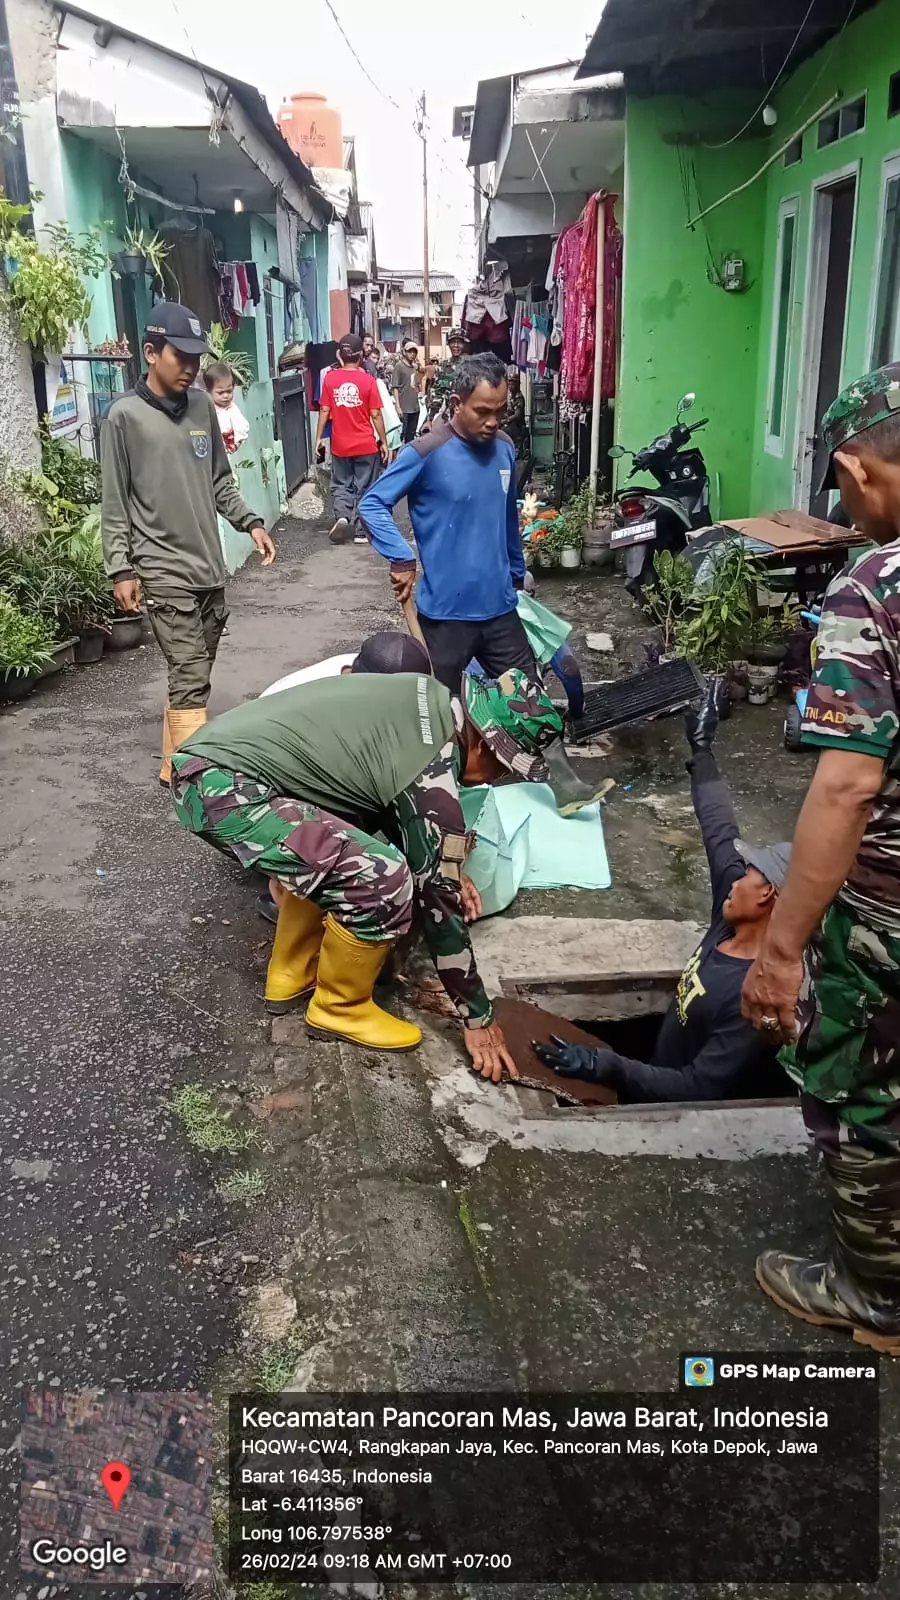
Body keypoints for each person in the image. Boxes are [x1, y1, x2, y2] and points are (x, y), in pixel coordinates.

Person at [170, 667, 577, 1080]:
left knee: (342, 846)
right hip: (224, 791)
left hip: (208, 766)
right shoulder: (431, 765)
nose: (498, 779)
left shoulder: (427, 702)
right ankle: (338, 1008)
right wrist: (479, 1018)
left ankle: (290, 974)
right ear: (488, 749)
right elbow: (439, 905)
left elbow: (388, 810)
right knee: (384, 877)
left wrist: (439, 862)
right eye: (506, 769)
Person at [742, 362, 900, 1356]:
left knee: (856, 1081)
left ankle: (875, 1291)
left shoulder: (875, 591)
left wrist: (785, 945)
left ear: (857, 471)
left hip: (889, 907)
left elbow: (846, 785)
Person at [533, 684, 792, 1102]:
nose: (735, 875)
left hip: (674, 1111)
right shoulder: (732, 915)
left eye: (748, 873)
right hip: (651, 1066)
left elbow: (699, 1086)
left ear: (767, 897)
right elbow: (719, 828)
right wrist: (702, 748)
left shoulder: (755, 997)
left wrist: (612, 1067)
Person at [101, 302, 275, 784]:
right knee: (191, 675)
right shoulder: (124, 418)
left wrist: (251, 522)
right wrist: (121, 567)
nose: (193, 368)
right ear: (151, 352)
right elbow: (114, 502)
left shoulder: (201, 406)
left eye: (198, 358)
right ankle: (199, 784)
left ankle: (170, 763)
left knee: (190, 676)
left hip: (208, 566)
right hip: (161, 569)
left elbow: (219, 480)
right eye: (183, 357)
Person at [360, 352, 538, 693]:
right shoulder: (426, 452)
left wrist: (517, 575)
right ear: (457, 403)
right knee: (442, 719)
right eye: (483, 412)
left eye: (500, 412)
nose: (493, 422)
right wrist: (401, 555)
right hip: (444, 619)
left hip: (500, 611)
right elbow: (372, 503)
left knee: (530, 710)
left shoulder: (505, 447)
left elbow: (506, 519)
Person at [315, 333, 389, 545]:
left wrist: (319, 437)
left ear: (340, 355)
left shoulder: (330, 379)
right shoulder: (367, 380)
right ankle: (359, 531)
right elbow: (375, 414)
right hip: (365, 444)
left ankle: (342, 516)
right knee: (364, 486)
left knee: (340, 483)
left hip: (340, 444)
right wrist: (383, 441)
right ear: (361, 356)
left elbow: (324, 410)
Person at [202, 361, 255, 576]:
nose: (226, 396)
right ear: (208, 391)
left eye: (229, 392)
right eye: (220, 392)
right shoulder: (205, 409)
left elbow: (242, 428)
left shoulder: (232, 409)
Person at [425, 327, 466, 426]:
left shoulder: (470, 366)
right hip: (448, 420)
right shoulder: (443, 367)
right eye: (453, 342)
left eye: (459, 342)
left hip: (466, 420)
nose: (456, 346)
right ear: (449, 344)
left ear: (464, 344)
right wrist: (429, 419)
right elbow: (438, 395)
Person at [392, 340, 422, 444]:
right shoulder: (399, 366)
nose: (412, 354)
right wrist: (398, 407)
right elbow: (395, 387)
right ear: (404, 352)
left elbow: (416, 384)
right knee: (401, 436)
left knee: (411, 436)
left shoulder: (414, 367)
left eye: (414, 352)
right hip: (404, 408)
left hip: (415, 407)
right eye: (410, 351)